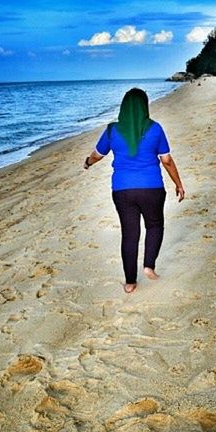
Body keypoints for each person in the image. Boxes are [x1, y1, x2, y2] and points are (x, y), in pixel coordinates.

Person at [83, 88, 185, 293]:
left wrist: (87, 163)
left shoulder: (112, 130)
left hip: (122, 190)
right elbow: (166, 160)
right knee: (154, 226)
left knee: (130, 234)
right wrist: (178, 184)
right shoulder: (155, 128)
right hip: (152, 188)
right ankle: (149, 266)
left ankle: (130, 283)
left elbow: (97, 155)